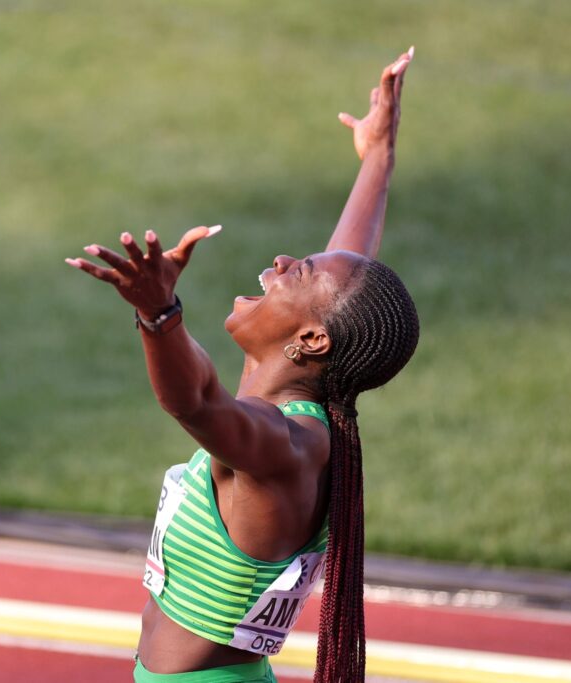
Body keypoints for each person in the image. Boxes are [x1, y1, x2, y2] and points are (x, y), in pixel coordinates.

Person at [66, 48, 419, 683]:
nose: (283, 261)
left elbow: (196, 402)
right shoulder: (308, 417)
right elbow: (349, 271)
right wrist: (378, 159)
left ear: (311, 341)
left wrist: (159, 313)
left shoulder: (286, 444)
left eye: (299, 271)